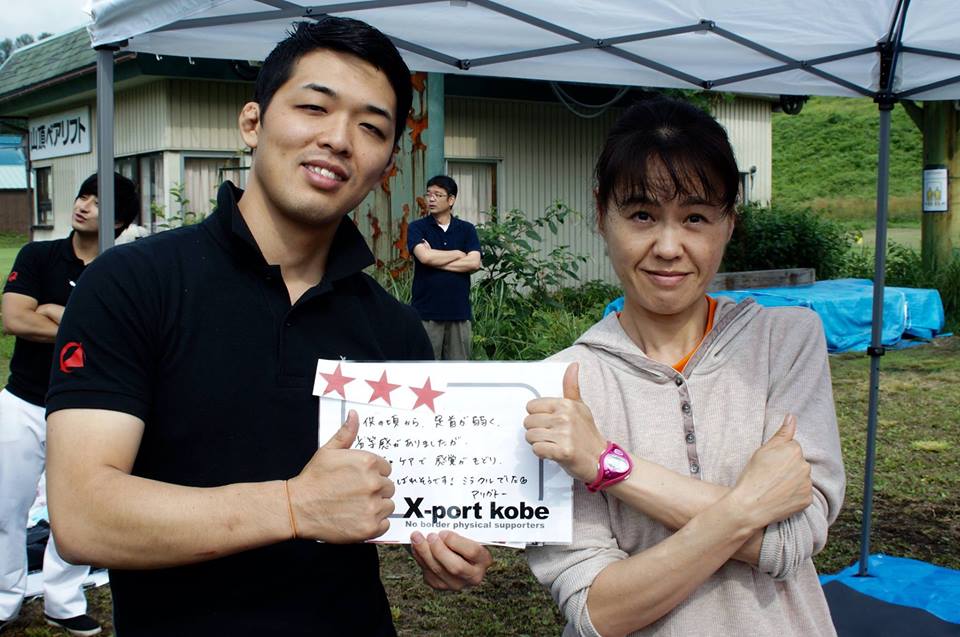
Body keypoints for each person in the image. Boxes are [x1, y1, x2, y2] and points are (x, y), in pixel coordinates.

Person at [43, 18, 491, 637]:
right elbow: (83, 516)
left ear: (387, 164)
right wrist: (293, 506)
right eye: (314, 107)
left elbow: (412, 494)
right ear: (252, 122)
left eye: (370, 127)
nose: (338, 139)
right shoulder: (132, 283)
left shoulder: (395, 329)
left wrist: (444, 538)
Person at [523, 97, 845, 636]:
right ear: (601, 215)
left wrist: (607, 464)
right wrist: (747, 510)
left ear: (729, 222)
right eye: (642, 216)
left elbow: (793, 541)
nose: (668, 247)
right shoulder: (559, 390)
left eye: (695, 217)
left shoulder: (785, 341)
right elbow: (597, 611)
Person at [1, 173, 139, 636]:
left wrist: (54, 312)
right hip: (23, 400)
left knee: (76, 507)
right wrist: (82, 327)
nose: (83, 205)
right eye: (83, 195)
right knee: (6, 506)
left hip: (86, 410)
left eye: (97, 202)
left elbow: (125, 339)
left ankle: (62, 601)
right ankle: (4, 599)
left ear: (117, 220)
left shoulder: (122, 270)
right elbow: (16, 318)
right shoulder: (38, 256)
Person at [407, 175, 481, 360]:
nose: (431, 199)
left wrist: (435, 260)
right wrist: (458, 253)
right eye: (428, 194)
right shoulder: (417, 228)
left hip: (459, 313)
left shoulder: (466, 229)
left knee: (458, 371)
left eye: (438, 195)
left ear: (451, 200)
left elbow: (474, 263)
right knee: (426, 370)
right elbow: (424, 257)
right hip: (426, 313)